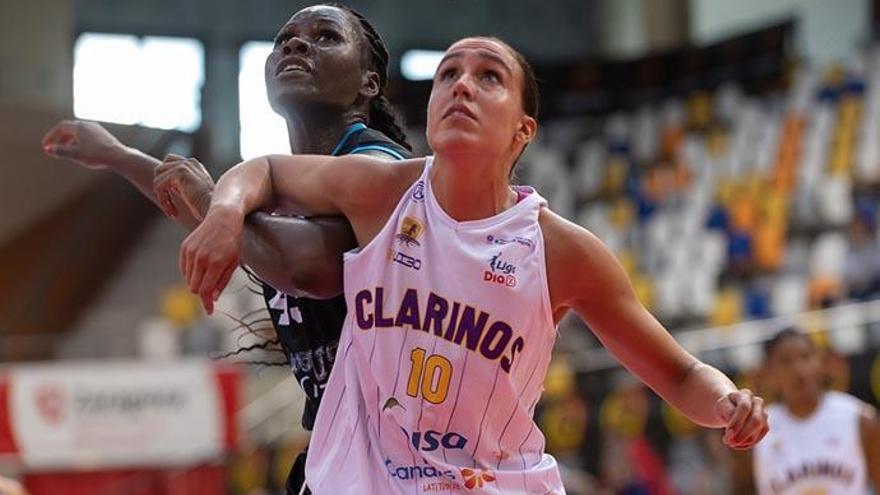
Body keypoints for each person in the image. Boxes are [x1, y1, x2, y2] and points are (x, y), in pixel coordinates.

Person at [179, 36, 769, 494]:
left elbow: (680, 375)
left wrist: (726, 402)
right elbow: (267, 170)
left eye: (489, 76)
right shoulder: (383, 191)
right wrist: (225, 214)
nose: (462, 85)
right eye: (448, 74)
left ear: (523, 130)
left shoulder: (561, 250)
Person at [41, 4, 412, 494]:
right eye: (284, 39)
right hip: (341, 452)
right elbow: (239, 225)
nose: (296, 44)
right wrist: (119, 154)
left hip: (403, 458)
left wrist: (215, 202)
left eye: (325, 37)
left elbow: (308, 267)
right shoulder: (286, 187)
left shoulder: (378, 163)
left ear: (368, 83)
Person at [733, 327, 880, 494]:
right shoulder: (755, 429)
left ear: (821, 363)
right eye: (786, 361)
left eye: (806, 357)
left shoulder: (860, 419)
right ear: (768, 372)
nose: (799, 369)